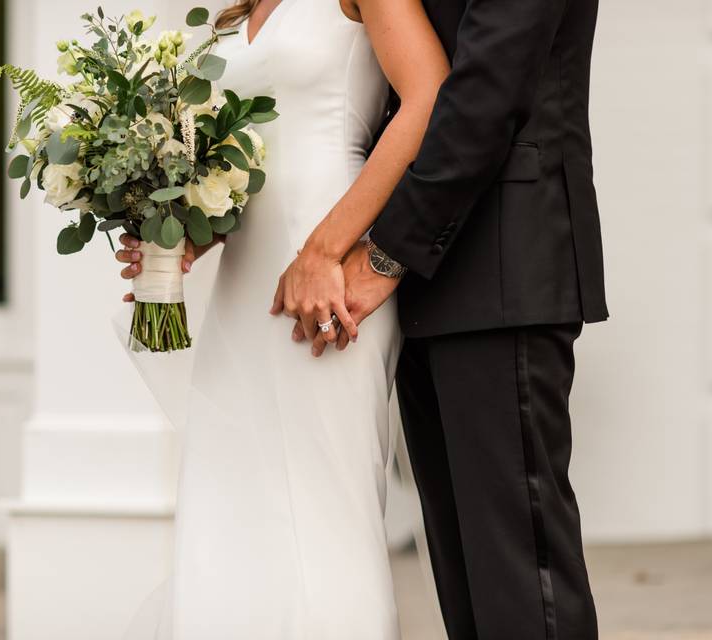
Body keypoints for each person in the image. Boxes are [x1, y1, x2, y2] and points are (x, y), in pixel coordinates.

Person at [120, 0, 605, 638]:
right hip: (414, 267)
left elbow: (482, 89)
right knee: (464, 570)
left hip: (498, 261)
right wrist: (199, 222)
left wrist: (374, 254)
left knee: (517, 564)